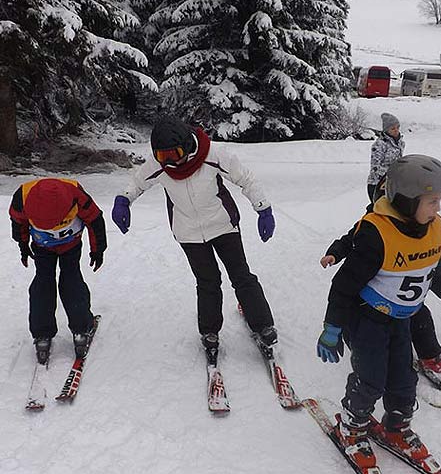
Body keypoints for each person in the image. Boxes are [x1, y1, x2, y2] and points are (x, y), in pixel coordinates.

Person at [316, 155, 441, 474]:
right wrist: (332, 327)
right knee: (371, 379)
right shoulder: (376, 234)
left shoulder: (433, 230)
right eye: (432, 201)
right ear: (407, 201)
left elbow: (436, 273)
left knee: (404, 378)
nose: (438, 208)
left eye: (440, 200)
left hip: (401, 319)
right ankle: (352, 427)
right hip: (368, 318)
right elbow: (344, 284)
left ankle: (397, 426)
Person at [111, 115, 277, 351]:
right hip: (188, 233)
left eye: (174, 154)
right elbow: (137, 183)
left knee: (241, 276)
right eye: (162, 156)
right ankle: (209, 331)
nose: (169, 161)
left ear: (187, 145)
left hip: (223, 226)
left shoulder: (213, 155)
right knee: (208, 282)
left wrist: (263, 209)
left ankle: (263, 325)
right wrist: (123, 201)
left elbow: (246, 178)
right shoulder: (160, 166)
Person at [320, 217, 441, 375]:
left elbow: (438, 272)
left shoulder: (425, 226)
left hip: (404, 300)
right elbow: (349, 245)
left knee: (421, 317)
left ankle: (429, 355)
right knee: (367, 328)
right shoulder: (373, 226)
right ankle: (366, 358)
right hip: (372, 301)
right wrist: (335, 253)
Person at [9, 178, 107, 364]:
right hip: (42, 247)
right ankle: (47, 332)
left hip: (69, 245)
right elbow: (18, 222)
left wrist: (98, 249)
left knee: (69, 281)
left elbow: (94, 219)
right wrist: (22, 245)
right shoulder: (22, 197)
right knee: (44, 284)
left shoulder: (76, 194)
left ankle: (78, 329)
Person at [367, 112, 405, 202]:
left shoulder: (400, 143)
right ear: (386, 130)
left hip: (392, 184)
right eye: (392, 128)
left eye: (397, 127)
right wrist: (390, 174)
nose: (396, 130)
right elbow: (375, 168)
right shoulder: (379, 145)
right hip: (377, 184)